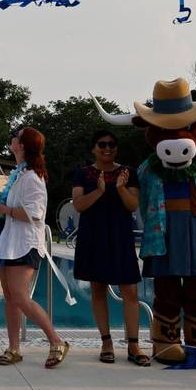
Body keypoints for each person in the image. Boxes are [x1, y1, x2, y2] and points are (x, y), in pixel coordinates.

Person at [0, 127, 69, 368]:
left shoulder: (32, 177)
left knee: (20, 297)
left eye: (16, 135)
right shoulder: (20, 175)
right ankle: (13, 348)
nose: (11, 137)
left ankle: (56, 340)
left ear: (21, 145)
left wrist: (6, 210)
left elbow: (35, 214)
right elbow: (16, 204)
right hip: (10, 243)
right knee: (10, 297)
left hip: (25, 245)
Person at [70, 129, 149, 365]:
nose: (108, 148)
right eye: (102, 144)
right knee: (98, 290)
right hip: (93, 237)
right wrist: (100, 190)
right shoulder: (83, 174)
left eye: (112, 144)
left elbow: (133, 205)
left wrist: (120, 188)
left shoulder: (128, 173)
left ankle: (134, 344)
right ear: (94, 148)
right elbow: (79, 205)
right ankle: (106, 342)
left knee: (130, 291)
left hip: (120, 237)